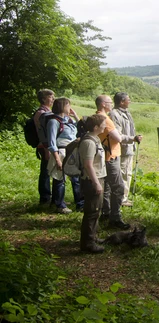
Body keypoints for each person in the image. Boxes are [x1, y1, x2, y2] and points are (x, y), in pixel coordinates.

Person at [95, 95, 130, 230]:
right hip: (111, 156)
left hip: (105, 155)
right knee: (118, 187)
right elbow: (118, 137)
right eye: (109, 102)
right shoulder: (105, 119)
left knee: (108, 187)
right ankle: (115, 218)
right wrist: (129, 138)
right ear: (103, 104)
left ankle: (106, 212)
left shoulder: (97, 116)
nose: (111, 104)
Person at [47, 97, 83, 214]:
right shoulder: (53, 122)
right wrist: (57, 159)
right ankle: (60, 205)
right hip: (61, 152)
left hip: (72, 151)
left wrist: (75, 116)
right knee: (60, 179)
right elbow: (52, 142)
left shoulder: (68, 120)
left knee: (76, 178)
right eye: (68, 105)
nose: (70, 108)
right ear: (63, 106)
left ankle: (80, 203)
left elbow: (81, 127)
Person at [79, 114, 108, 254]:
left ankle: (92, 237)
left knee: (96, 210)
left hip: (96, 178)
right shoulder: (89, 142)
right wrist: (96, 183)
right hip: (92, 180)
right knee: (91, 212)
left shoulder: (95, 139)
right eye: (103, 124)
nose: (105, 126)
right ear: (96, 127)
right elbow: (88, 165)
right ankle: (87, 244)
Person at [109, 92, 142, 207]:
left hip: (129, 148)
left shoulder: (126, 113)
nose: (130, 101)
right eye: (128, 99)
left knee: (127, 173)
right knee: (122, 174)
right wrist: (132, 139)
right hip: (122, 149)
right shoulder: (114, 114)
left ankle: (124, 197)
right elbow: (117, 134)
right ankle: (121, 199)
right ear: (122, 101)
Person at [33, 89, 54, 205]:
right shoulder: (41, 113)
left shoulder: (47, 111)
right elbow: (42, 133)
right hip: (44, 146)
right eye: (50, 97)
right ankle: (45, 198)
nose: (53, 99)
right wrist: (46, 149)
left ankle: (48, 197)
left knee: (48, 170)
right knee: (45, 172)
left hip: (47, 146)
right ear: (44, 99)